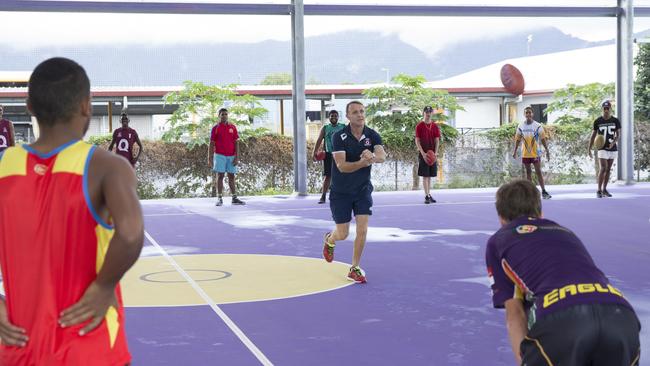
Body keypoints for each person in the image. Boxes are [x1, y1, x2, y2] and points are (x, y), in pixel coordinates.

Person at [0, 57, 144, 365]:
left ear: (29, 107)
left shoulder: (4, 166)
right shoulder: (108, 167)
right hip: (89, 347)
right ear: (86, 105)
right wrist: (104, 285)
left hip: (20, 346)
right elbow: (131, 234)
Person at [486, 179, 640, 366]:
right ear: (541, 213)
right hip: (620, 315)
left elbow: (514, 314)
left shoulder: (498, 241)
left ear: (501, 218)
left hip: (563, 318)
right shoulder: (565, 232)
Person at [322, 101, 386, 283]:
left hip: (362, 190)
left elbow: (382, 156)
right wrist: (363, 162)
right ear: (348, 116)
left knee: (362, 229)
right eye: (355, 112)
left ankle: (354, 267)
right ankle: (330, 239)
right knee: (343, 234)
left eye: (362, 111)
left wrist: (372, 157)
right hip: (341, 191)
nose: (360, 115)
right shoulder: (338, 136)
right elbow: (342, 166)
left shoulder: (372, 135)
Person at [513, 106, 551, 199]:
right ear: (524, 114)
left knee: (538, 172)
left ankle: (544, 191)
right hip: (525, 153)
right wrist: (514, 151)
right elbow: (517, 139)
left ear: (532, 114)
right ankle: (529, 193)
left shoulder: (537, 126)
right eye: (526, 113)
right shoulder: (520, 126)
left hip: (535, 153)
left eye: (530, 112)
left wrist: (547, 150)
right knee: (528, 172)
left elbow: (542, 139)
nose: (528, 114)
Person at [209, 108, 245, 206]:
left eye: (226, 114)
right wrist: (210, 157)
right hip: (219, 156)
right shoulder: (215, 128)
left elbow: (236, 143)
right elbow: (211, 144)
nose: (224, 116)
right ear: (219, 116)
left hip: (231, 156)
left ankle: (234, 198)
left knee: (231, 177)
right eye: (222, 114)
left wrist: (237, 157)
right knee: (220, 176)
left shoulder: (232, 127)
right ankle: (219, 198)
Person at [588, 100, 621, 198]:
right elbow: (593, 136)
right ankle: (598, 190)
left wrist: (613, 143)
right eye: (604, 108)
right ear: (602, 109)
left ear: (610, 109)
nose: (606, 110)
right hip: (602, 148)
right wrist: (589, 148)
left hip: (612, 148)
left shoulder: (615, 121)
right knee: (603, 168)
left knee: (608, 169)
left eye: (608, 108)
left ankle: (604, 189)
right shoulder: (598, 121)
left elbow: (618, 135)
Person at [312, 110, 345, 204]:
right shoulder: (325, 128)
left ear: (338, 117)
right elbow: (319, 140)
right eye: (331, 116)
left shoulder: (343, 127)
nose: (333, 117)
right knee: (328, 176)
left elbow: (349, 139)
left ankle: (341, 196)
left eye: (335, 116)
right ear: (329, 117)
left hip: (340, 154)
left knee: (342, 176)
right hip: (329, 154)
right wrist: (314, 152)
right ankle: (323, 196)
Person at [415, 105, 441, 204]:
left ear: (432, 113)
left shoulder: (435, 126)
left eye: (430, 112)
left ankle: (429, 194)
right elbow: (417, 141)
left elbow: (437, 140)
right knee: (425, 176)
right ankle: (426, 195)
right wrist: (423, 153)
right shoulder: (419, 126)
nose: (428, 113)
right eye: (426, 112)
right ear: (424, 113)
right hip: (424, 154)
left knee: (429, 176)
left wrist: (436, 152)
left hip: (432, 155)